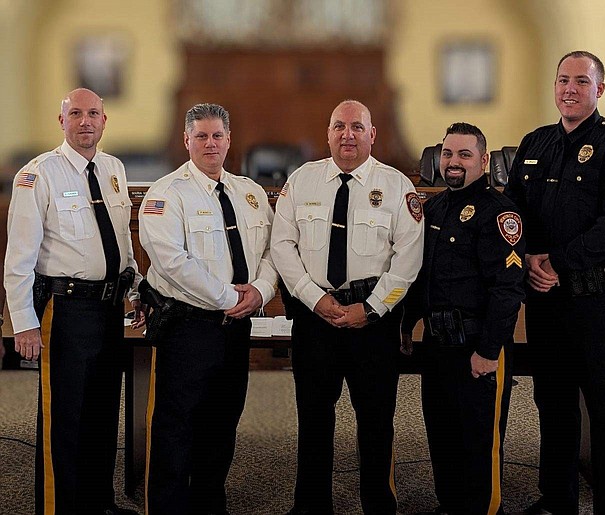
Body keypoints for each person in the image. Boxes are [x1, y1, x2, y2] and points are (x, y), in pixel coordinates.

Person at [504, 51, 605, 515]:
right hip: (546, 299)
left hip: (597, 299)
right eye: (563, 80)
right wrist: (526, 257)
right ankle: (558, 500)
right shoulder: (535, 142)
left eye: (581, 82)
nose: (570, 89)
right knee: (554, 402)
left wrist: (558, 262)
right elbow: (512, 210)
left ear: (599, 90)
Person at [271, 99, 424, 514]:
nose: (348, 134)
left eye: (357, 127)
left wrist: (372, 309)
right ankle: (311, 505)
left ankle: (378, 504)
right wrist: (313, 297)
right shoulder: (302, 180)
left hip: (371, 323)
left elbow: (407, 264)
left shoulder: (397, 187)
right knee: (314, 419)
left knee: (376, 421)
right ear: (328, 133)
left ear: (372, 134)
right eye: (339, 126)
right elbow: (282, 245)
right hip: (314, 318)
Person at [3, 88, 143, 515]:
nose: (86, 121)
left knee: (103, 411)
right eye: (76, 113)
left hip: (110, 307)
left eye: (94, 114)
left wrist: (135, 290)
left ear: (105, 121)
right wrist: (23, 322)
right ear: (60, 120)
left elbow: (123, 245)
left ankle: (98, 500)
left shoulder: (115, 169)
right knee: (64, 417)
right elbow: (19, 257)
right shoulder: (38, 174)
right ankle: (59, 505)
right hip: (65, 311)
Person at [138, 103, 278, 515]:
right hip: (188, 328)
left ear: (229, 140)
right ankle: (167, 508)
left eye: (217, 135)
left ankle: (209, 502)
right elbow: (172, 263)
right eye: (201, 136)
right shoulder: (166, 194)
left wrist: (261, 290)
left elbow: (274, 250)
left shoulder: (250, 193)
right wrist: (231, 298)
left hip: (235, 329)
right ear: (186, 140)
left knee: (223, 422)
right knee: (176, 425)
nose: (210, 144)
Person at [401, 123, 525, 515]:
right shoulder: (433, 208)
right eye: (448, 155)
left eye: (464, 155)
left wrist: (489, 351)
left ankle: (485, 509)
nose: (454, 163)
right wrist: (407, 328)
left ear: (484, 161)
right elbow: (423, 278)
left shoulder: (500, 213)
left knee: (479, 439)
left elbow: (507, 290)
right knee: (442, 433)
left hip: (476, 347)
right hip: (436, 344)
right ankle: (449, 505)